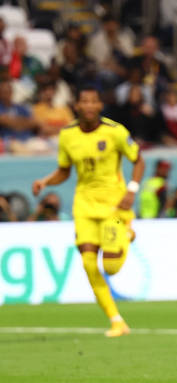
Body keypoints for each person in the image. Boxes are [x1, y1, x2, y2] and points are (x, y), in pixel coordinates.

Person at [31, 85, 145, 338]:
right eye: (85, 101)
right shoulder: (68, 135)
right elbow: (64, 170)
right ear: (77, 106)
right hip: (83, 205)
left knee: (112, 266)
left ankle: (127, 234)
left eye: (94, 101)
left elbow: (138, 159)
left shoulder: (115, 132)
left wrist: (132, 189)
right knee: (88, 263)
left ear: (99, 106)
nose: (90, 106)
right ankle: (117, 321)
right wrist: (45, 182)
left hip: (114, 205)